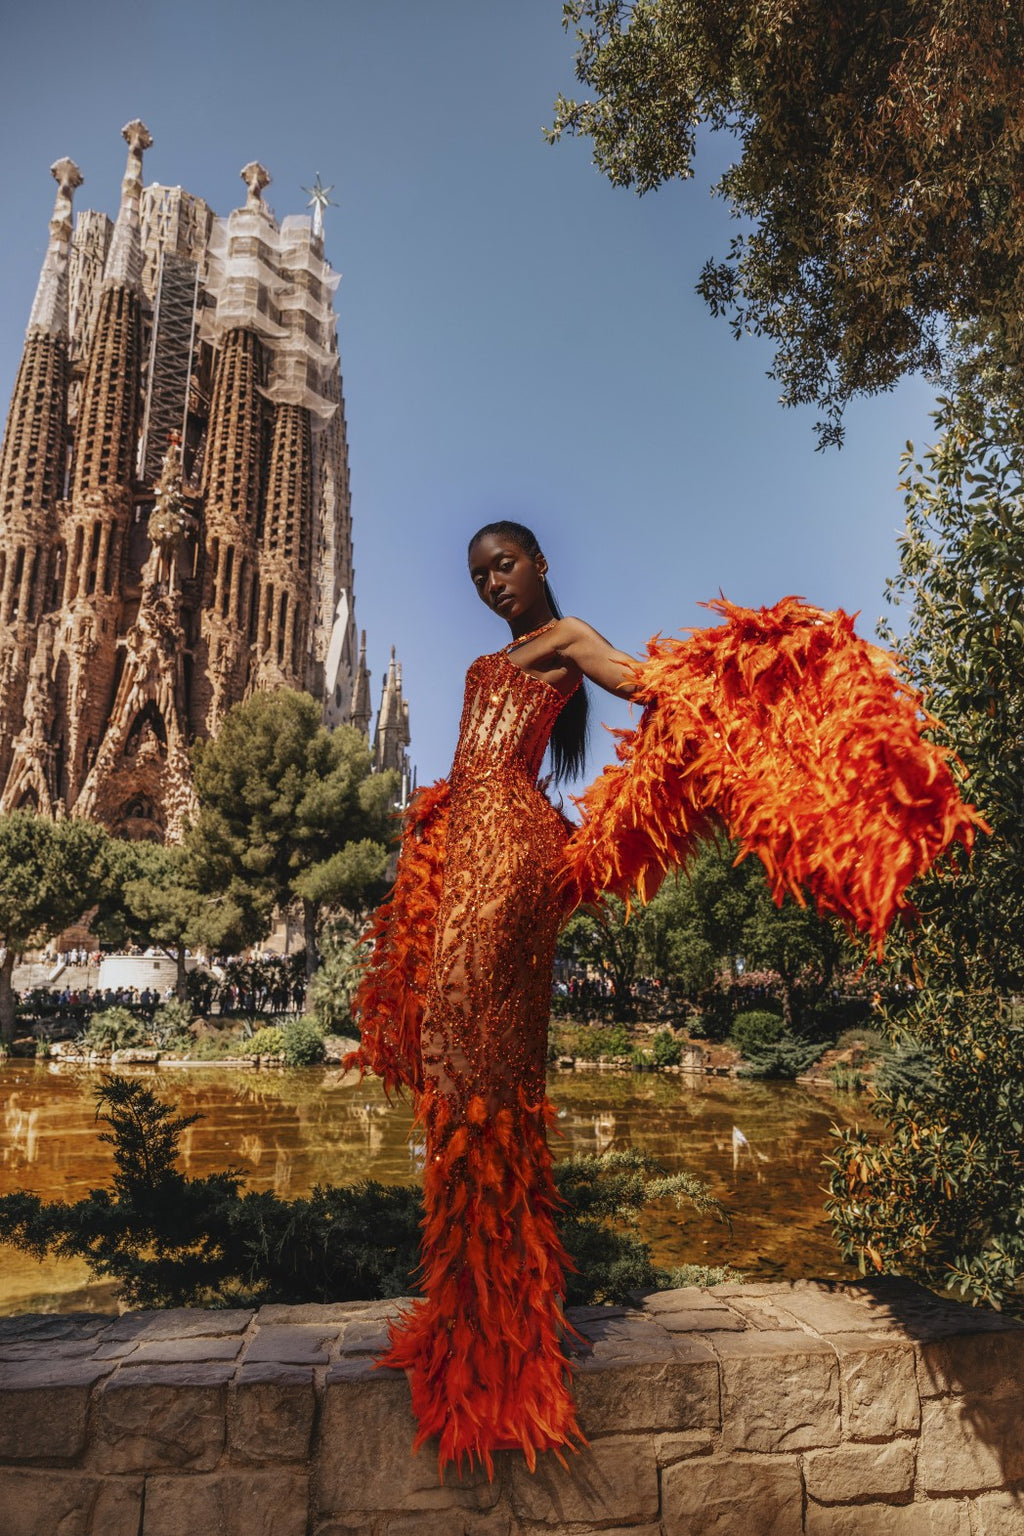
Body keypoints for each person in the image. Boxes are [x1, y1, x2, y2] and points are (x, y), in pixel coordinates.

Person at [351, 519, 984, 1479]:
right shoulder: (490, 661)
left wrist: (752, 664)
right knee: (460, 1058)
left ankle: (503, 1326)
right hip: (464, 848)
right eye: (479, 574)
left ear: (541, 565)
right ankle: (476, 1309)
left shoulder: (565, 644)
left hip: (512, 854)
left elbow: (648, 685)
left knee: (483, 1061)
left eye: (506, 565)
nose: (493, 584)